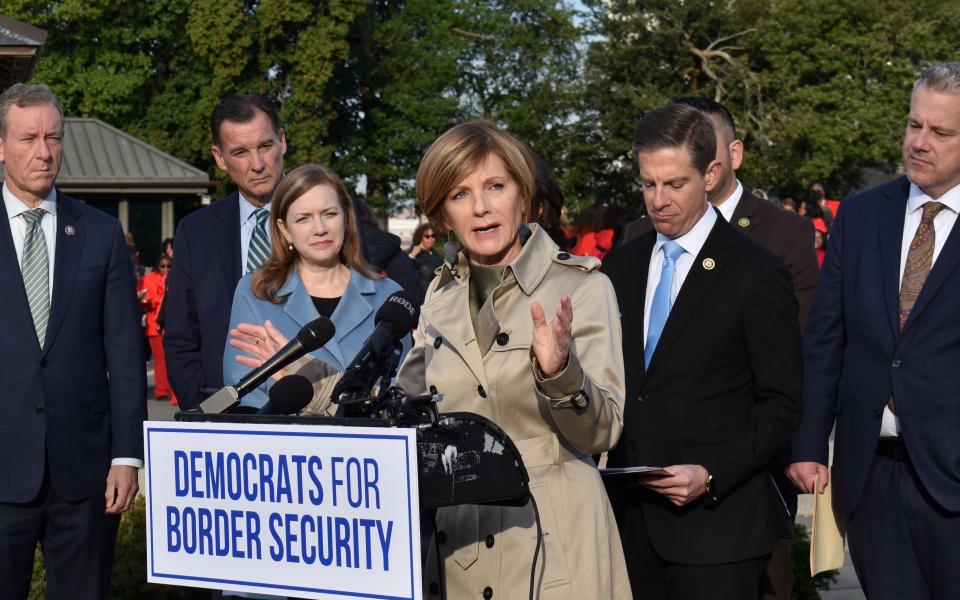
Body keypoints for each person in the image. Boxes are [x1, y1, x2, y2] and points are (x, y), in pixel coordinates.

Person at [396, 120, 631, 598]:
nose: (481, 208)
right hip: (461, 548)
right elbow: (406, 411)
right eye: (459, 195)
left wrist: (559, 373)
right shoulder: (436, 301)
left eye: (495, 187)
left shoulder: (582, 287)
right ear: (442, 215)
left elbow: (604, 432)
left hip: (557, 544)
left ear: (524, 198)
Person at [602, 103, 802, 599]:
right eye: (648, 184)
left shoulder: (756, 273)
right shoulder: (620, 267)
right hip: (627, 527)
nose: (658, 200)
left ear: (711, 173)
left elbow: (782, 404)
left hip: (718, 532)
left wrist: (711, 473)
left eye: (675, 184)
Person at [786, 62, 960, 599]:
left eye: (941, 132)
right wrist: (809, 441)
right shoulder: (861, 216)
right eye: (914, 125)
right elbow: (825, 340)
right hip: (869, 476)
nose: (920, 142)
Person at [0, 83, 146, 599]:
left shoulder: (101, 233)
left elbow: (125, 352)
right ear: (1, 147)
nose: (44, 151)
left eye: (53, 137)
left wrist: (127, 455)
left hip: (84, 477)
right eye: (28, 138)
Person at [622, 96, 819, 327]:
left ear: (734, 154)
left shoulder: (785, 233)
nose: (694, 156)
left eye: (704, 146)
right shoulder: (639, 233)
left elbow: (800, 336)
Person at [224, 163, 406, 411]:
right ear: (284, 230)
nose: (320, 229)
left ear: (346, 219)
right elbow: (243, 397)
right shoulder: (256, 294)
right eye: (303, 218)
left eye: (329, 214)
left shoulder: (390, 297)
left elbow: (403, 392)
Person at [164, 93, 286, 410]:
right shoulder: (196, 232)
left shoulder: (324, 220)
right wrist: (206, 409)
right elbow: (181, 336)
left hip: (315, 414)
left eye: (265, 146)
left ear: (282, 142)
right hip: (222, 416)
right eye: (241, 152)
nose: (258, 164)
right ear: (220, 158)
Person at [140, 254, 176, 403]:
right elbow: (143, 300)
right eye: (163, 266)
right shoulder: (148, 279)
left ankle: (173, 391)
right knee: (160, 359)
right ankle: (161, 390)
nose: (166, 269)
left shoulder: (175, 277)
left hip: (172, 324)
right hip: (155, 326)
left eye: (169, 266)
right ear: (157, 266)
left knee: (172, 359)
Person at [408, 222, 443, 289]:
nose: (431, 239)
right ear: (420, 238)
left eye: (433, 236)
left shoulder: (435, 253)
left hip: (437, 294)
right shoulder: (414, 253)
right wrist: (411, 256)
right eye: (427, 236)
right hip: (423, 295)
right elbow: (405, 270)